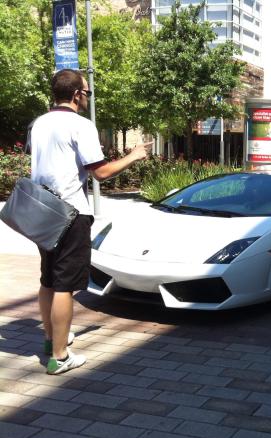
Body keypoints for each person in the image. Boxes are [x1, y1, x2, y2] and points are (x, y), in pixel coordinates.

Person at [30, 69, 152, 374]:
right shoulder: (80, 125)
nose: (87, 97)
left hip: (41, 209)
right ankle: (60, 356)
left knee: (48, 278)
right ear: (76, 95)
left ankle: (50, 340)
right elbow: (100, 172)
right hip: (70, 212)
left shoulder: (40, 123)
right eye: (87, 92)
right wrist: (134, 155)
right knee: (65, 285)